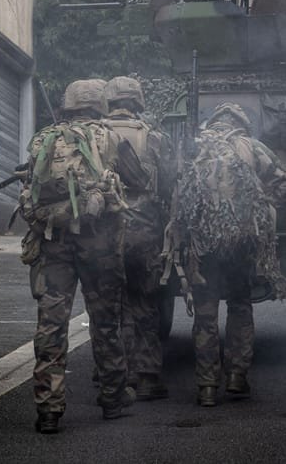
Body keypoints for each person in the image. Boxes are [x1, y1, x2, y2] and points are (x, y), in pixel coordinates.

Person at [19, 79, 133, 434]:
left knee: (51, 325)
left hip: (54, 241)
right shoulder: (109, 137)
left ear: (68, 105)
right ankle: (113, 398)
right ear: (100, 105)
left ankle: (49, 409)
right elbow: (136, 179)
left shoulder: (44, 138)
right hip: (99, 244)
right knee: (105, 322)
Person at [168, 102, 286, 408]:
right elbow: (284, 184)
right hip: (241, 242)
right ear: (240, 123)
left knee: (206, 315)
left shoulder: (195, 147)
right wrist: (264, 207)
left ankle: (207, 386)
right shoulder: (251, 147)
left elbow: (173, 187)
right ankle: (237, 376)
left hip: (203, 246)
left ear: (214, 122)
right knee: (240, 306)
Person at [102, 76, 174, 402]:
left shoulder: (92, 136)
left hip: (103, 235)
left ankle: (119, 377)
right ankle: (147, 378)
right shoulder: (155, 138)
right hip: (145, 235)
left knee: (113, 307)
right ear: (138, 101)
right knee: (147, 305)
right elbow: (172, 184)